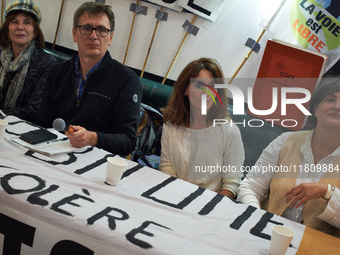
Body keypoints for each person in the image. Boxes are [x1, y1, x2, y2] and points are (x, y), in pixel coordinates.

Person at [237, 77, 340, 237]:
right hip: (264, 234)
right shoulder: (285, 141)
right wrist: (258, 218)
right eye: (330, 99)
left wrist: (328, 192)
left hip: (315, 247)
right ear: (315, 109)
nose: (337, 106)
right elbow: (250, 186)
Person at [38, 2, 142, 155]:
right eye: (86, 28)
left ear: (110, 37)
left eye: (101, 30)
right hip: (54, 152)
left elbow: (128, 141)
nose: (94, 36)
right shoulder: (57, 72)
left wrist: (92, 138)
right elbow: (43, 123)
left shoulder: (127, 80)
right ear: (74, 33)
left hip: (97, 162)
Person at [159, 58, 244, 198]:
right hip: (172, 196)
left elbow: (231, 185)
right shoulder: (171, 124)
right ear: (185, 90)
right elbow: (166, 168)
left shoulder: (229, 131)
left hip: (210, 205)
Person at [0, 0, 57, 122]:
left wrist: (1, 115)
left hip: (24, 131)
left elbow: (34, 111)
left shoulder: (47, 63)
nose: (20, 27)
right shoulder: (0, 55)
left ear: (35, 31)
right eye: (14, 22)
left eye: (26, 23)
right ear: (7, 29)